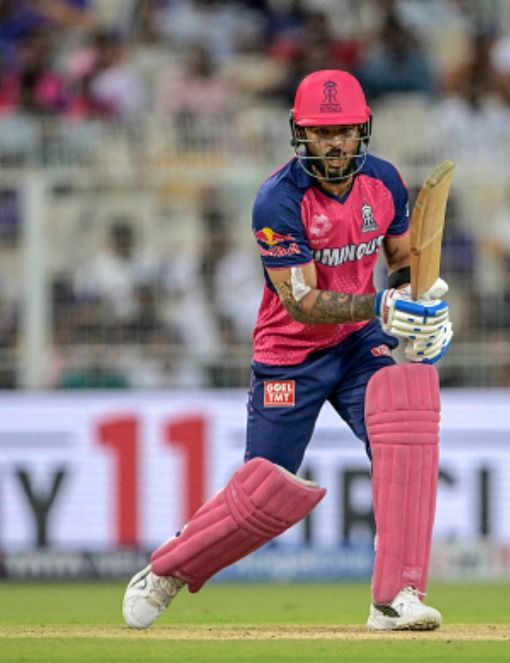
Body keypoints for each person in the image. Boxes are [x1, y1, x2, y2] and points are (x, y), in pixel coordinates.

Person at [122, 69, 454, 632]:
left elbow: (401, 259)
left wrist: (423, 304)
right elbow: (300, 301)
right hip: (290, 357)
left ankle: (396, 596)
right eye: (323, 133)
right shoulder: (277, 201)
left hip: (356, 347)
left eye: (345, 131)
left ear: (362, 130)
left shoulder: (384, 182)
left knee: (407, 428)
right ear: (300, 134)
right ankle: (169, 569)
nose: (335, 144)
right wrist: (381, 306)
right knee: (265, 489)